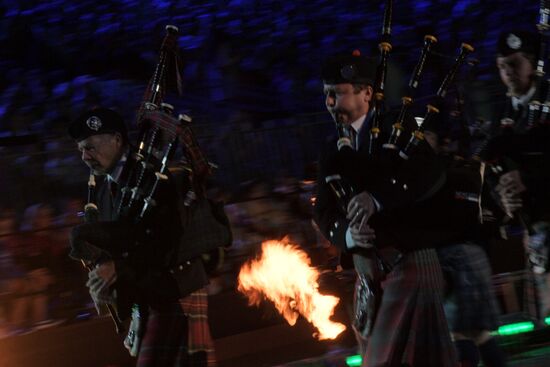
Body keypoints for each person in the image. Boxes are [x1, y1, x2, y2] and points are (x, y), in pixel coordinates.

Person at [313, 51, 457, 367]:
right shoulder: (330, 149)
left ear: (366, 92)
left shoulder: (399, 128)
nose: (329, 103)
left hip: (408, 260)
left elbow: (430, 176)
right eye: (326, 94)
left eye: (336, 93)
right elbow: (323, 211)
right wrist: (349, 234)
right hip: (367, 275)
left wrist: (376, 198)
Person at [68, 107, 218, 366]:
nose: (85, 156)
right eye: (81, 149)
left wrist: (118, 268)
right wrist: (106, 283)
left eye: (90, 147)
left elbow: (166, 240)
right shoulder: (104, 192)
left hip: (176, 289)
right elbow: (117, 245)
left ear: (116, 139)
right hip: (146, 295)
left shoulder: (153, 176)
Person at [486, 29, 550, 322]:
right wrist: (504, 200)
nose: (508, 72)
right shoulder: (505, 115)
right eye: (502, 66)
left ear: (532, 63)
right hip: (536, 231)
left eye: (514, 63)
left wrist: (529, 177)